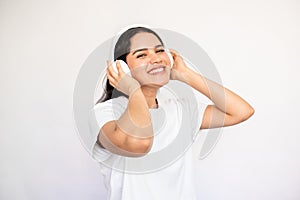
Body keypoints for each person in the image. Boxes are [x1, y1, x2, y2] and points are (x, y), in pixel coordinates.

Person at [89, 26, 254, 200]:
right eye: (142, 55)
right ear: (121, 67)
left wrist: (186, 74)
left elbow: (241, 112)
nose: (156, 59)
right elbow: (140, 145)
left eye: (159, 51)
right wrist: (133, 90)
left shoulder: (180, 109)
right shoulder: (104, 114)